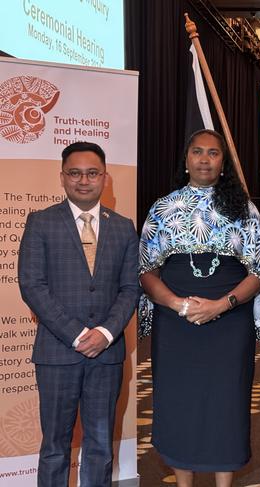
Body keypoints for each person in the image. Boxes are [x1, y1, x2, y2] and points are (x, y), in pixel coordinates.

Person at [138, 129, 260, 487]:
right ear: (186, 160)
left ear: (223, 163)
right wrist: (176, 304)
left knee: (226, 402)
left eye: (213, 153)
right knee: (177, 400)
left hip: (229, 322)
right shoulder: (163, 208)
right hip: (175, 322)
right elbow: (146, 271)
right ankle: (183, 482)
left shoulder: (245, 209)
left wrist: (221, 305)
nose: (204, 159)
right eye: (197, 152)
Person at [18, 141, 140, 487]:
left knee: (101, 445)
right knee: (56, 447)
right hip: (57, 354)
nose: (83, 181)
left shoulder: (122, 226)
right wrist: (75, 334)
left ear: (104, 178)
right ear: (62, 177)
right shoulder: (41, 222)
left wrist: (104, 333)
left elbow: (130, 288)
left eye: (92, 173)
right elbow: (32, 285)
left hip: (107, 356)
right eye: (75, 173)